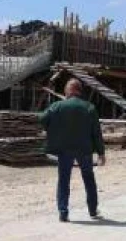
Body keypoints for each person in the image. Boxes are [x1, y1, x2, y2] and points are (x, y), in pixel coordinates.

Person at [39, 78, 106, 222]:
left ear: (68, 90)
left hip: (65, 149)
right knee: (88, 178)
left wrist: (54, 128)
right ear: (79, 91)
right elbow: (96, 132)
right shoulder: (89, 107)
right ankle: (93, 210)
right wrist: (101, 153)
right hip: (85, 150)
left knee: (63, 180)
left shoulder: (58, 106)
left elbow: (42, 119)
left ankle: (63, 212)